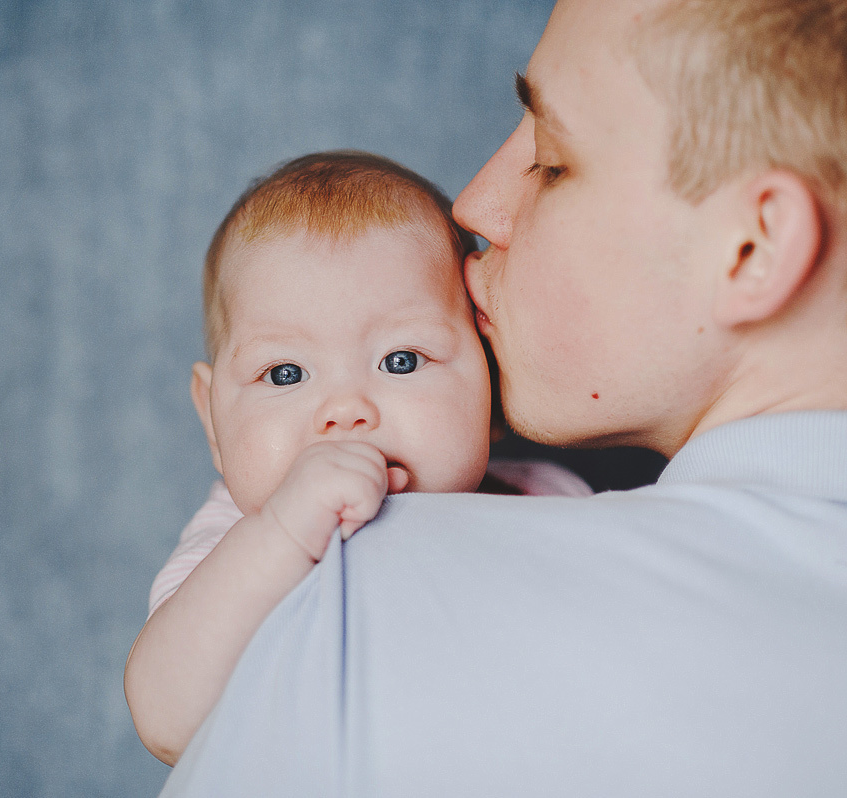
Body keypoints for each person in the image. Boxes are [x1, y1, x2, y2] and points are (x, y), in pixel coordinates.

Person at [160, 0, 847, 794]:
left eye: (552, 162)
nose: (473, 208)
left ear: (752, 248)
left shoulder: (360, 595)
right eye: (286, 374)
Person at [124, 151, 592, 766]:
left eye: (401, 361)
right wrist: (289, 529)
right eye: (285, 373)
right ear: (213, 418)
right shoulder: (236, 545)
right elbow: (168, 718)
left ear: (491, 385)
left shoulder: (548, 502)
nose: (345, 410)